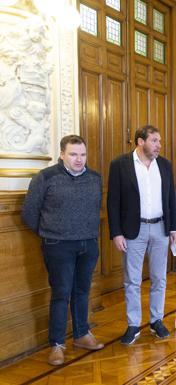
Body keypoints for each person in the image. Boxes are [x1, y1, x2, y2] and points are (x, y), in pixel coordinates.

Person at [22, 135, 105, 366]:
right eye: (73, 154)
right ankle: (57, 344)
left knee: (82, 291)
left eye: (82, 154)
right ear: (62, 154)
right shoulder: (46, 177)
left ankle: (81, 335)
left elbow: (95, 208)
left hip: (88, 244)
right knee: (61, 294)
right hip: (58, 246)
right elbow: (29, 212)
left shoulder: (95, 178)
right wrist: (50, 232)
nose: (79, 159)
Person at [107, 125, 176, 344]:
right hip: (132, 230)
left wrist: (174, 228)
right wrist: (116, 233)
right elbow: (113, 201)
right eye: (154, 141)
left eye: (159, 141)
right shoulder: (120, 164)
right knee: (132, 280)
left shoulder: (165, 165)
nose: (159, 145)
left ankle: (156, 320)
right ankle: (133, 325)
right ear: (141, 141)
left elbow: (171, 198)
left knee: (159, 278)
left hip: (160, 229)